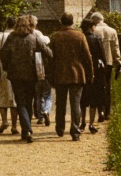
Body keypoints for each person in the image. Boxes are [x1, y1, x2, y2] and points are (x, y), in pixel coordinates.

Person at [0, 15, 52, 143]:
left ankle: (26, 130)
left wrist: (7, 67)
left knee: (20, 102)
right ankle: (26, 130)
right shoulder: (34, 38)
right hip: (31, 74)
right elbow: (49, 53)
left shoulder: (11, 37)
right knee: (29, 101)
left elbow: (3, 54)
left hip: (15, 74)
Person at [49, 12, 93, 141]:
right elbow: (87, 56)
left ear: (61, 22)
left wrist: (50, 75)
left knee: (60, 103)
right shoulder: (80, 36)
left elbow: (50, 58)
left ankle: (60, 128)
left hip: (60, 73)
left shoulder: (55, 36)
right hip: (77, 74)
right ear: (72, 22)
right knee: (75, 103)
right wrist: (90, 73)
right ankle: (75, 131)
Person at [0, 16, 19, 135]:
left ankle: (4, 121)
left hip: (2, 70)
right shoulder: (18, 36)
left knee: (1, 95)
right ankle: (14, 125)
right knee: (14, 97)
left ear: (6, 24)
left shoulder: (0, 37)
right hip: (15, 69)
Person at [90, 12, 121, 122]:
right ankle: (107, 112)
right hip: (109, 62)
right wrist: (118, 62)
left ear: (94, 20)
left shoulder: (93, 31)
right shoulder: (112, 31)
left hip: (97, 63)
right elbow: (115, 48)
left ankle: (101, 110)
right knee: (107, 87)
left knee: (97, 87)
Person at [79, 18, 106, 134]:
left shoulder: (80, 38)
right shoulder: (96, 39)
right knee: (93, 99)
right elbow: (102, 56)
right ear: (91, 27)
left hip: (82, 71)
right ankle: (91, 123)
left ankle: (82, 122)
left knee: (83, 100)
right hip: (95, 72)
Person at [32, 16, 52, 127]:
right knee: (47, 96)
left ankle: (40, 117)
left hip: (36, 75)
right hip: (47, 76)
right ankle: (46, 111)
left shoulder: (35, 53)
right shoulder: (48, 53)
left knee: (38, 96)